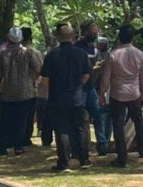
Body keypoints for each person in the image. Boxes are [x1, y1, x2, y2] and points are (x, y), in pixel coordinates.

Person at [41, 23, 91, 172]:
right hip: (76, 96)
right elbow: (87, 74)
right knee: (80, 128)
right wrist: (78, 85)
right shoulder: (81, 54)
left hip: (57, 97)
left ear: (58, 37)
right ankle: (84, 159)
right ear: (73, 36)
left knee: (62, 129)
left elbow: (45, 79)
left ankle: (63, 161)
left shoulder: (52, 54)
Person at [100, 24, 143, 167]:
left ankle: (122, 157)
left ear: (119, 38)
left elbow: (106, 77)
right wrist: (142, 92)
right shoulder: (139, 54)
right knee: (139, 121)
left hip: (117, 93)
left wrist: (102, 93)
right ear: (133, 37)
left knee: (118, 125)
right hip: (134, 92)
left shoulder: (113, 54)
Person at [0, 27, 42, 156]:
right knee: (22, 120)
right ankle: (18, 146)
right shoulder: (28, 52)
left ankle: (3, 147)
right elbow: (38, 68)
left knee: (6, 120)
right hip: (26, 91)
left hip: (8, 91)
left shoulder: (2, 54)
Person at [76, 21, 110, 155]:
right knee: (81, 118)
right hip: (79, 88)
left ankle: (102, 144)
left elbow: (95, 70)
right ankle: (81, 146)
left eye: (96, 32)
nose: (95, 34)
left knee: (98, 114)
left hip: (91, 88)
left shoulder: (94, 50)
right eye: (93, 32)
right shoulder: (78, 48)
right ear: (84, 32)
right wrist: (93, 68)